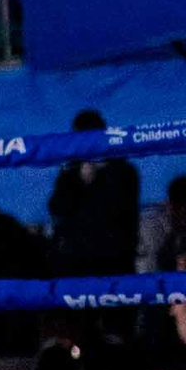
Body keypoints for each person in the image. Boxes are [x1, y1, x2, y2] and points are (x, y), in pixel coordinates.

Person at [46, 111, 140, 276]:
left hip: (113, 259)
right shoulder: (70, 171)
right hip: (74, 259)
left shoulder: (124, 171)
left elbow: (120, 214)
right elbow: (56, 208)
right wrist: (81, 179)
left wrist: (93, 177)